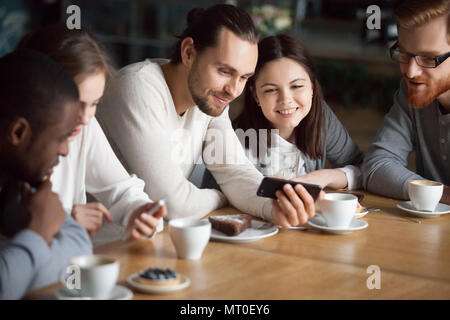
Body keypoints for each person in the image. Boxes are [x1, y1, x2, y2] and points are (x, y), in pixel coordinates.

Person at [98, 4, 324, 228]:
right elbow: (175, 205)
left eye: (244, 77)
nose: (234, 90)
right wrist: (221, 195)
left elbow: (234, 171)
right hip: (107, 247)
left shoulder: (209, 99)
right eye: (225, 72)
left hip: (160, 241)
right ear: (188, 53)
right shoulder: (137, 87)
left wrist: (271, 206)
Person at [18, 25, 166, 246]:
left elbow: (121, 190)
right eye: (77, 103)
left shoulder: (83, 128)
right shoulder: (13, 144)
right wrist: (66, 224)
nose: (86, 118)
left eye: (94, 104)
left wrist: (138, 211)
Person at [0, 50, 92, 299]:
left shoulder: (21, 180)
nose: (65, 151)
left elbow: (79, 250)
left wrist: (20, 265)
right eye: (61, 138)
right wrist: (39, 233)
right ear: (18, 132)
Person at [233, 34, 364, 190]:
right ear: (255, 95)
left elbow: (363, 169)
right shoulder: (236, 138)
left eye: (296, 86)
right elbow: (219, 192)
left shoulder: (320, 117)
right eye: (271, 90)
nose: (285, 100)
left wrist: (321, 177)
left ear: (312, 87)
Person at [362, 0, 450, 205]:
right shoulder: (412, 91)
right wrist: (441, 196)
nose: (411, 72)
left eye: (429, 58)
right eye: (404, 54)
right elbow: (377, 166)